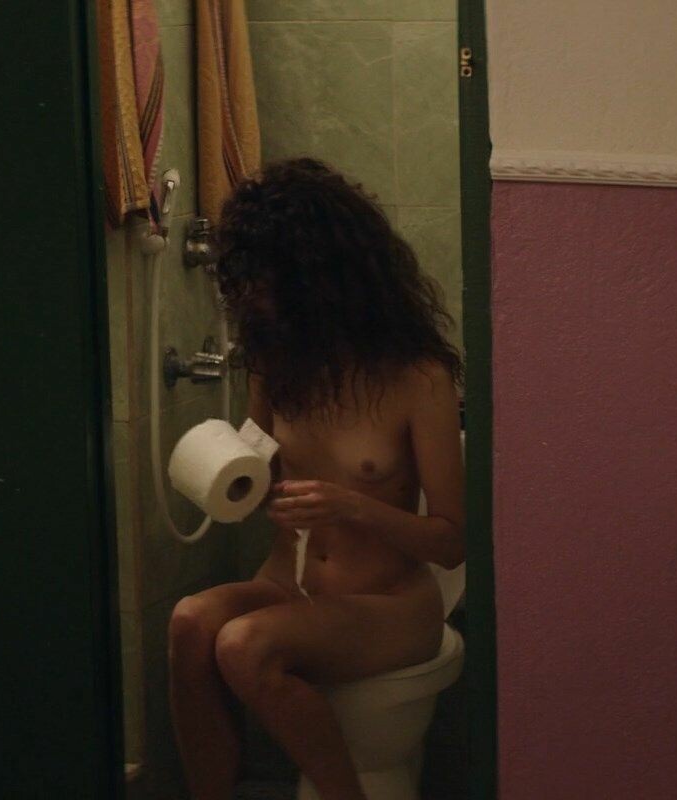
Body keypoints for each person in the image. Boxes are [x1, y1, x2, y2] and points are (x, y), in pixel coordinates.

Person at [168, 158, 465, 800]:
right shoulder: (276, 364)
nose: (255, 299)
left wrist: (351, 506)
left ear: (320, 277)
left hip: (387, 606)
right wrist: (247, 483)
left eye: (268, 282)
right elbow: (255, 471)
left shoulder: (418, 380)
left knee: (244, 645)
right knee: (190, 622)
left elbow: (450, 542)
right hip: (289, 585)